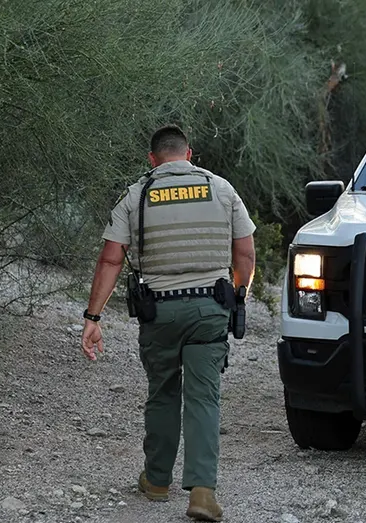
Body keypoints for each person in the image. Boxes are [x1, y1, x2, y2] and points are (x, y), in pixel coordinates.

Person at [79, 124, 257, 521]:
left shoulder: (136, 194)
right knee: (203, 396)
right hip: (210, 309)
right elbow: (244, 252)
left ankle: (157, 480)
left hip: (159, 312)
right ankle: (203, 493)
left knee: (162, 392)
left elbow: (110, 259)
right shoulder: (222, 189)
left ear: (153, 159)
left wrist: (93, 317)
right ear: (189, 155)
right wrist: (239, 296)